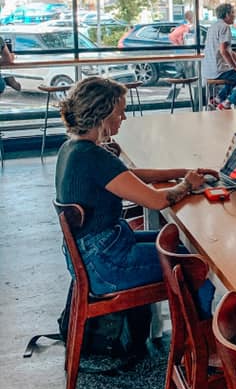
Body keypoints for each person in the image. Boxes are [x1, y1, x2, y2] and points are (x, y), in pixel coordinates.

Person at [55, 77, 217, 306]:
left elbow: (127, 177)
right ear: (103, 114)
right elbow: (157, 201)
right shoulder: (94, 157)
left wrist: (183, 172)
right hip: (106, 264)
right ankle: (198, 339)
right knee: (197, 267)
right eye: (120, 112)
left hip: (92, 255)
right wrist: (187, 185)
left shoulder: (72, 148)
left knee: (183, 249)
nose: (123, 118)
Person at [202, 3, 236, 109]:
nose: (234, 15)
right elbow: (223, 50)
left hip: (208, 70)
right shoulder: (225, 27)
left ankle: (218, 100)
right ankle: (227, 103)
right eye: (232, 13)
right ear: (226, 14)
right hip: (218, 71)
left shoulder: (212, 27)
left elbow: (219, 47)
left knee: (235, 76)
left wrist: (231, 53)